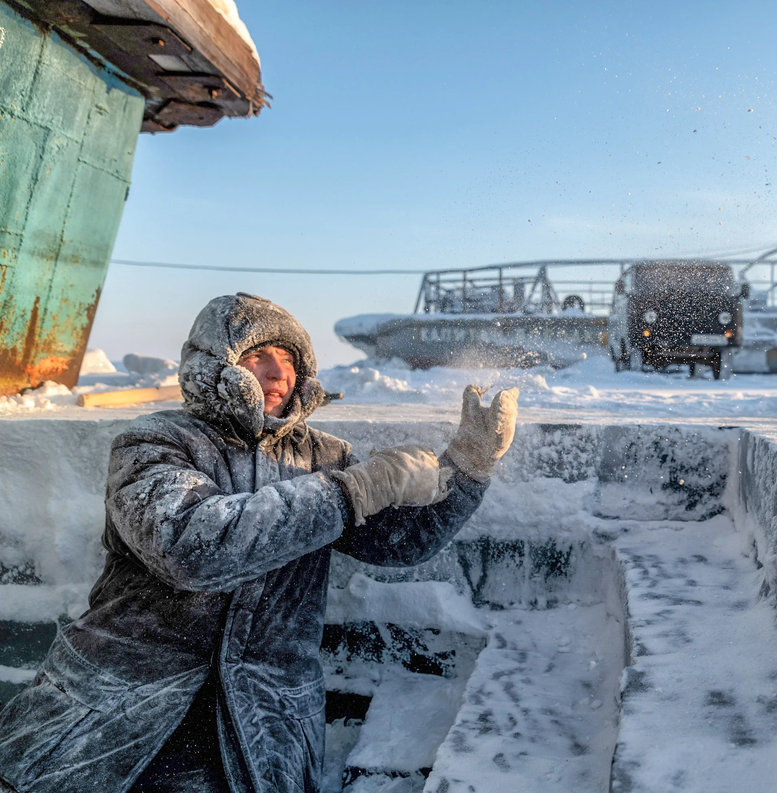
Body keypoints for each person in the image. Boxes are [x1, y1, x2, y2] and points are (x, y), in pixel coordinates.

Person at [0, 293, 518, 793]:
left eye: (288, 357)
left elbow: (397, 543)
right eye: (256, 355)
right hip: (117, 707)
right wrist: (353, 492)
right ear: (215, 365)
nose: (277, 372)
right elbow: (189, 547)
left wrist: (468, 466)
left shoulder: (322, 457)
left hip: (261, 723)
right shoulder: (154, 442)